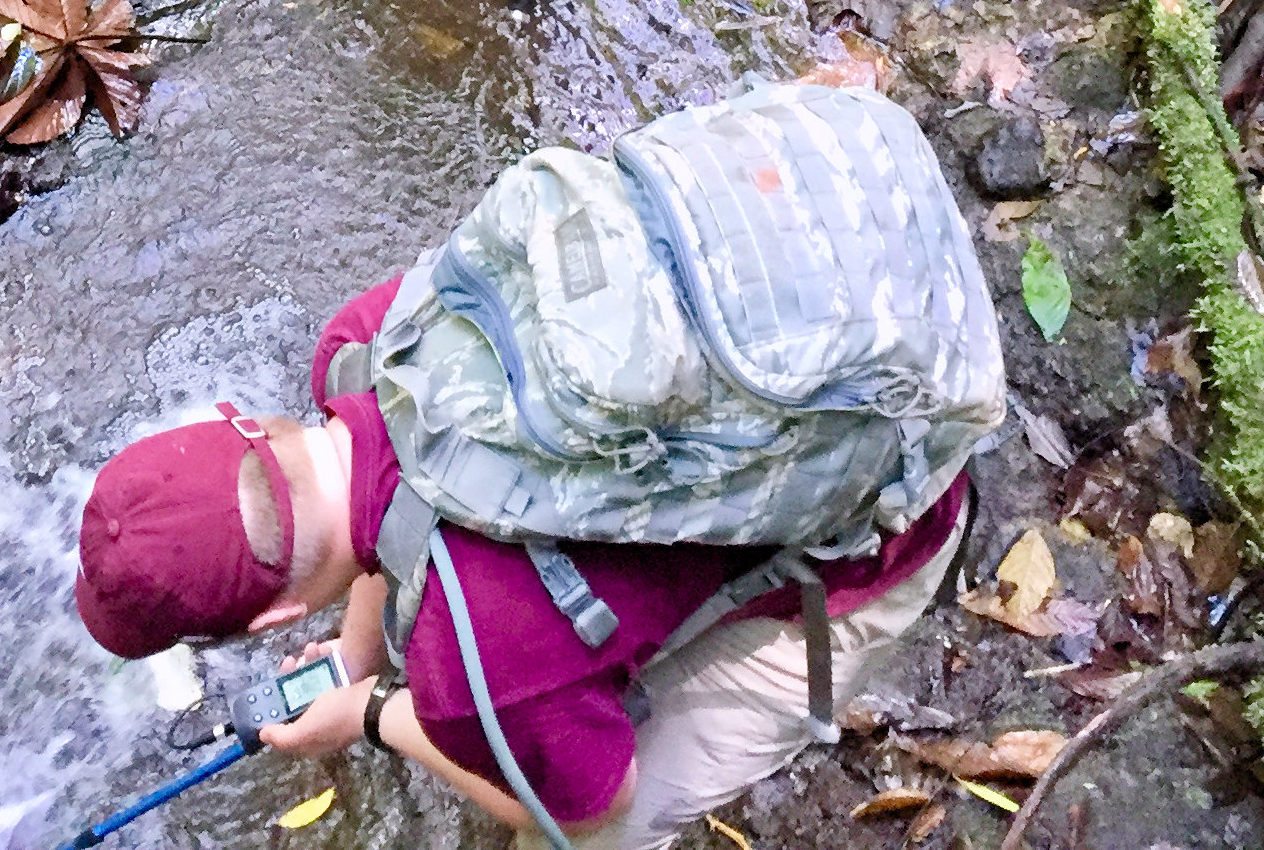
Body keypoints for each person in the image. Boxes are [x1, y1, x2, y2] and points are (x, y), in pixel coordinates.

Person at [71, 277, 972, 850]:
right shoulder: (364, 348)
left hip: (888, 521)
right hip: (863, 323)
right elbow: (385, 501)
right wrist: (356, 659)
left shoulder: (475, 666)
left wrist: (376, 712)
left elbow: (592, 809)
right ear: (252, 428)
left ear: (272, 621)